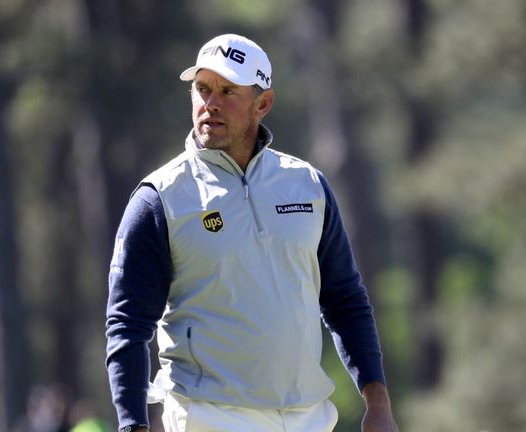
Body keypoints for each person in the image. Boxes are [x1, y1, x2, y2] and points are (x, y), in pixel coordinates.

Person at [105, 33, 398, 432]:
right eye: (202, 89)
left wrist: (378, 405)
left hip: (306, 417)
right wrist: (133, 425)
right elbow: (128, 323)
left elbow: (345, 300)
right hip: (208, 414)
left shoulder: (307, 185)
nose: (211, 104)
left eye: (228, 91)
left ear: (263, 103)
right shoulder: (160, 197)